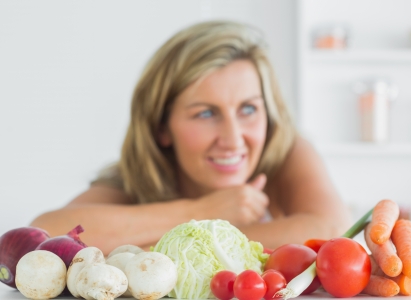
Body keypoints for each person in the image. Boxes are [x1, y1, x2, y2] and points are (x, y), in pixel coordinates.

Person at [30, 21, 352, 255]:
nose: (233, 138)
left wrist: (148, 250)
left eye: (249, 109)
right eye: (206, 114)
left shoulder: (285, 148)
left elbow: (332, 230)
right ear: (162, 128)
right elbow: (45, 236)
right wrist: (201, 211)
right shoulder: (133, 178)